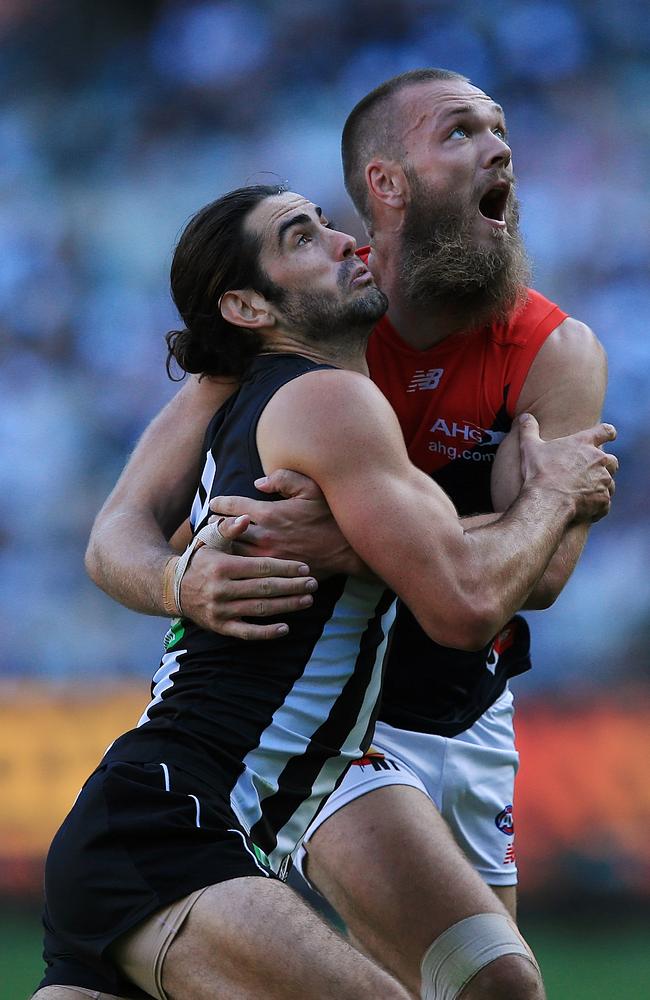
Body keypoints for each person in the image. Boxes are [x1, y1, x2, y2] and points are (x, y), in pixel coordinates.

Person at [82, 71, 611, 999]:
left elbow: (547, 572)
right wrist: (178, 584)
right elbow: (116, 532)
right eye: (462, 132)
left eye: (501, 130)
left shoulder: (554, 350)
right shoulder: (308, 321)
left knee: (494, 991)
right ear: (388, 185)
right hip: (334, 719)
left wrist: (345, 542)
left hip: (466, 706)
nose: (502, 149)